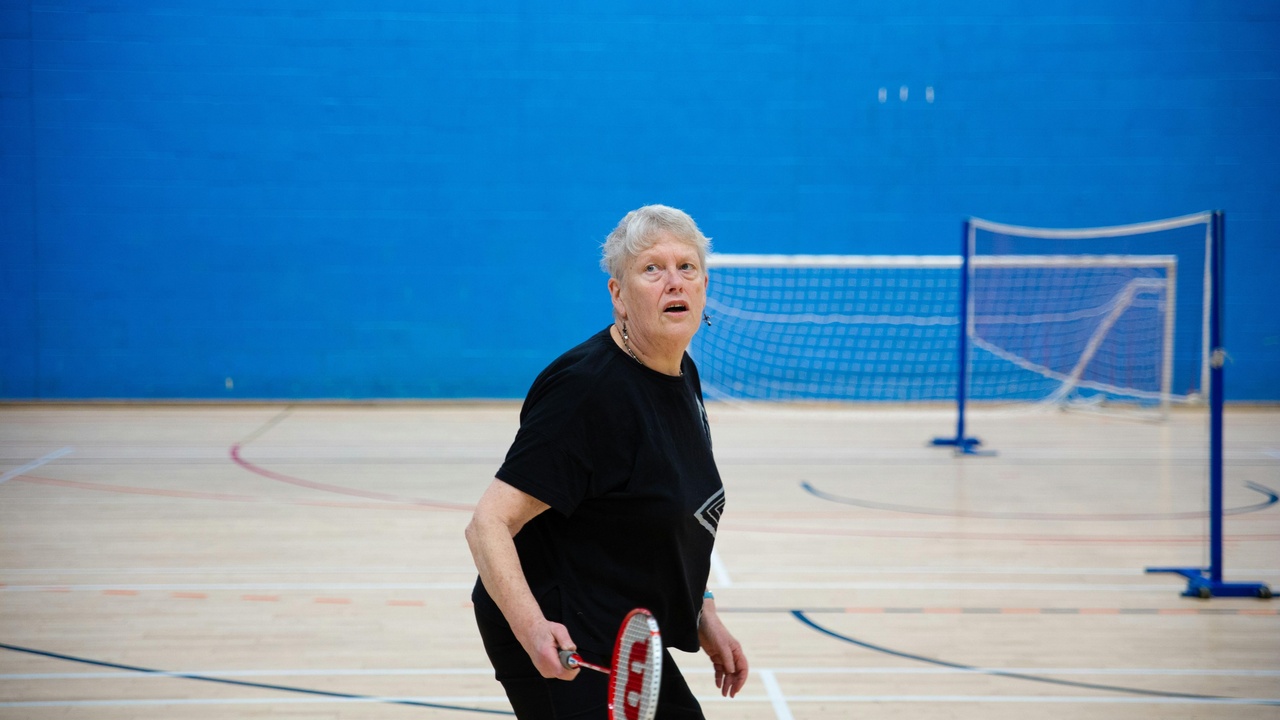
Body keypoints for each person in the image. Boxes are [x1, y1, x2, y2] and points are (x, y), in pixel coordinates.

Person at [465, 204, 749, 719]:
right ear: (618, 295)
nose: (674, 282)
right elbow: (488, 524)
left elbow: (671, 513)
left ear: (705, 283)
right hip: (562, 632)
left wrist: (703, 612)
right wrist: (532, 628)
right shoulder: (587, 391)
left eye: (686, 267)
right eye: (651, 269)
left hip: (624, 623)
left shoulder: (679, 371)